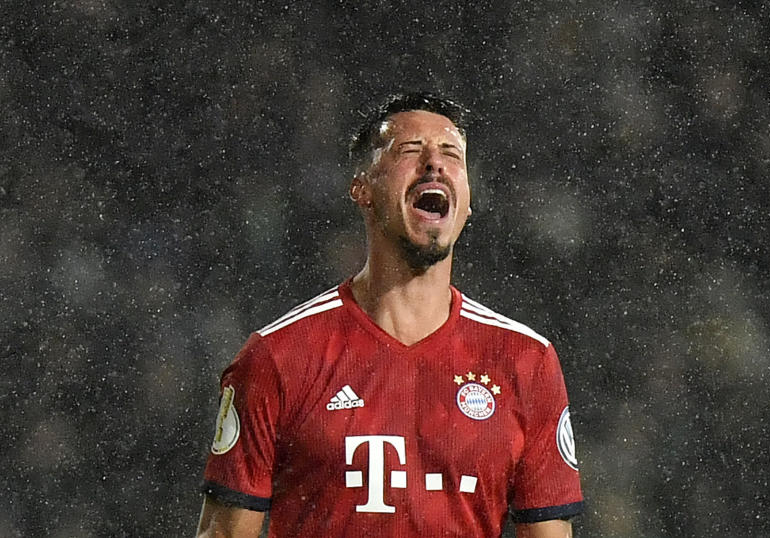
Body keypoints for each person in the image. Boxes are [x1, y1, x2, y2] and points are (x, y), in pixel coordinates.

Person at [196, 93, 583, 537]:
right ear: (362, 188)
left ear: (468, 203)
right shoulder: (279, 357)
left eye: (451, 154)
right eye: (411, 151)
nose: (434, 164)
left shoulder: (525, 361)